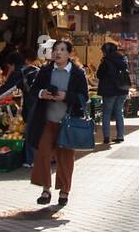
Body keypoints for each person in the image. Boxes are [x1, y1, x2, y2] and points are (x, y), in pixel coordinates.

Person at [25, 39, 90, 206]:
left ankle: (64, 191)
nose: (58, 53)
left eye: (62, 49)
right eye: (56, 49)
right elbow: (33, 92)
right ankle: (45, 190)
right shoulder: (45, 71)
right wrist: (42, 93)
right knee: (43, 154)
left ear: (69, 53)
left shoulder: (77, 73)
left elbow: (84, 97)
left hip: (68, 123)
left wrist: (66, 96)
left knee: (65, 158)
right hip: (47, 120)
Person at [0, 46, 41, 167]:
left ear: (13, 65)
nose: (8, 70)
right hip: (43, 104)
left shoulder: (20, 72)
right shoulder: (35, 69)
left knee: (31, 130)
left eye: (9, 67)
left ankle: (31, 160)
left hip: (34, 105)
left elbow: (6, 90)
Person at [96, 41, 130, 144]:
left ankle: (106, 137)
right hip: (122, 89)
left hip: (109, 90)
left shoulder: (106, 61)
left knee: (106, 113)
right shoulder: (123, 59)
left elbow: (99, 75)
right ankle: (120, 136)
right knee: (119, 112)